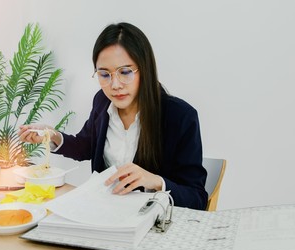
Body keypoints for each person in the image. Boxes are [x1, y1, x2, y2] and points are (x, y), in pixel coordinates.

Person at [19, 22, 208, 210]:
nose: (115, 85)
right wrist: (52, 136)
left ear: (145, 70)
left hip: (153, 223)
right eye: (104, 74)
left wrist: (157, 182)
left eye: (125, 72)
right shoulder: (102, 101)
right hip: (106, 215)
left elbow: (197, 198)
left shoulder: (180, 116)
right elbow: (85, 146)